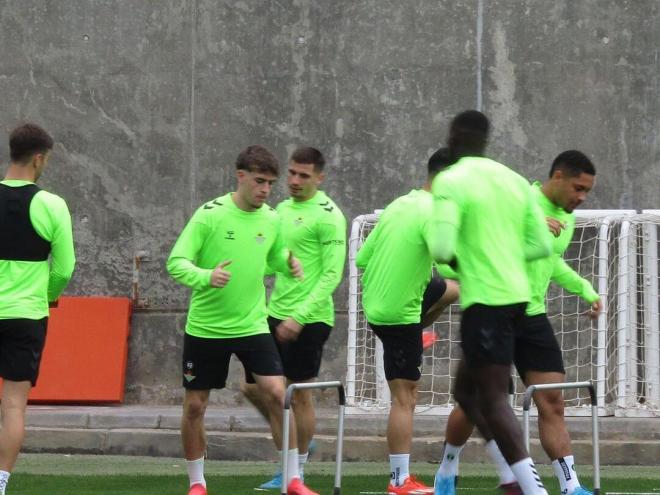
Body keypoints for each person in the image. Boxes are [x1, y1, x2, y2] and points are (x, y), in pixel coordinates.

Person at [435, 150, 600, 495]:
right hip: (495, 309)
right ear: (557, 177)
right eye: (577, 188)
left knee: (552, 399)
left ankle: (571, 486)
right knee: (475, 400)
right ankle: (447, 470)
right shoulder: (518, 199)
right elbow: (479, 249)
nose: (581, 197)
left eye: (587, 191)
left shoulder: (566, 220)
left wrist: (585, 288)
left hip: (533, 315)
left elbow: (550, 262)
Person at [166, 145, 318, 495]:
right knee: (195, 406)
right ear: (241, 176)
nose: (265, 190)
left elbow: (272, 256)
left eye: (270, 184)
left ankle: (294, 479)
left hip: (252, 324)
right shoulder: (210, 215)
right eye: (260, 181)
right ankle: (197, 483)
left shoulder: (271, 218)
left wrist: (287, 262)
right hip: (206, 327)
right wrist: (206, 276)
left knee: (279, 393)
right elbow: (176, 261)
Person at [429, 111, 552, 495]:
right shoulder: (515, 180)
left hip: (486, 303)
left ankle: (532, 488)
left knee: (494, 398)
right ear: (486, 140)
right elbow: (543, 245)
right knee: (467, 392)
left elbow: (442, 248)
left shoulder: (451, 179)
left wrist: (470, 260)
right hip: (518, 299)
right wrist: (500, 254)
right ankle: (509, 478)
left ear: (453, 137)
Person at [355, 148, 460, 495]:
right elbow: (446, 259)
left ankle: (420, 328)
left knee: (451, 290)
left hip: (375, 302)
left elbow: (363, 258)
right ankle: (399, 480)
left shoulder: (401, 203)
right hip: (396, 315)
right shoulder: (436, 212)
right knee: (406, 397)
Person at [241, 147, 347, 490]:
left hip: (312, 318)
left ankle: (293, 471)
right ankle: (298, 448)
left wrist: (300, 317)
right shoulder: (279, 210)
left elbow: (332, 275)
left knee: (298, 395)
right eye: (291, 174)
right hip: (271, 313)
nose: (295, 181)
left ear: (320, 177)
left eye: (304, 175)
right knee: (254, 388)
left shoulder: (329, 215)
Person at [0, 123, 75, 495]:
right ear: (39, 158)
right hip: (27, 315)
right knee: (13, 406)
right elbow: (64, 268)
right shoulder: (52, 205)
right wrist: (46, 295)